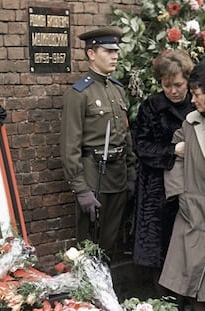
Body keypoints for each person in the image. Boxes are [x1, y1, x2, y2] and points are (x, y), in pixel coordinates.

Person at [60, 27, 137, 257]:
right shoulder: (79, 94)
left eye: (116, 50)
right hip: (95, 176)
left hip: (118, 176)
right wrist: (81, 189)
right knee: (89, 245)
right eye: (108, 50)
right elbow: (69, 145)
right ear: (91, 54)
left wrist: (131, 174)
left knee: (110, 243)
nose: (115, 55)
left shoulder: (117, 89)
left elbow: (126, 134)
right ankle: (89, 291)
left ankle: (107, 290)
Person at [132, 49, 194, 301]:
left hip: (192, 187)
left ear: (188, 80)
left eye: (178, 85)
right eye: (167, 85)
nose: (173, 91)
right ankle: (164, 302)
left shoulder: (197, 104)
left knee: (189, 246)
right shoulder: (151, 107)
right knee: (160, 249)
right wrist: (172, 151)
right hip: (157, 190)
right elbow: (140, 145)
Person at [158, 61, 205, 311]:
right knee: (189, 286)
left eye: (197, 95)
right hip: (192, 213)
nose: (193, 100)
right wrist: (181, 195)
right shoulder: (190, 124)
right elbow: (175, 162)